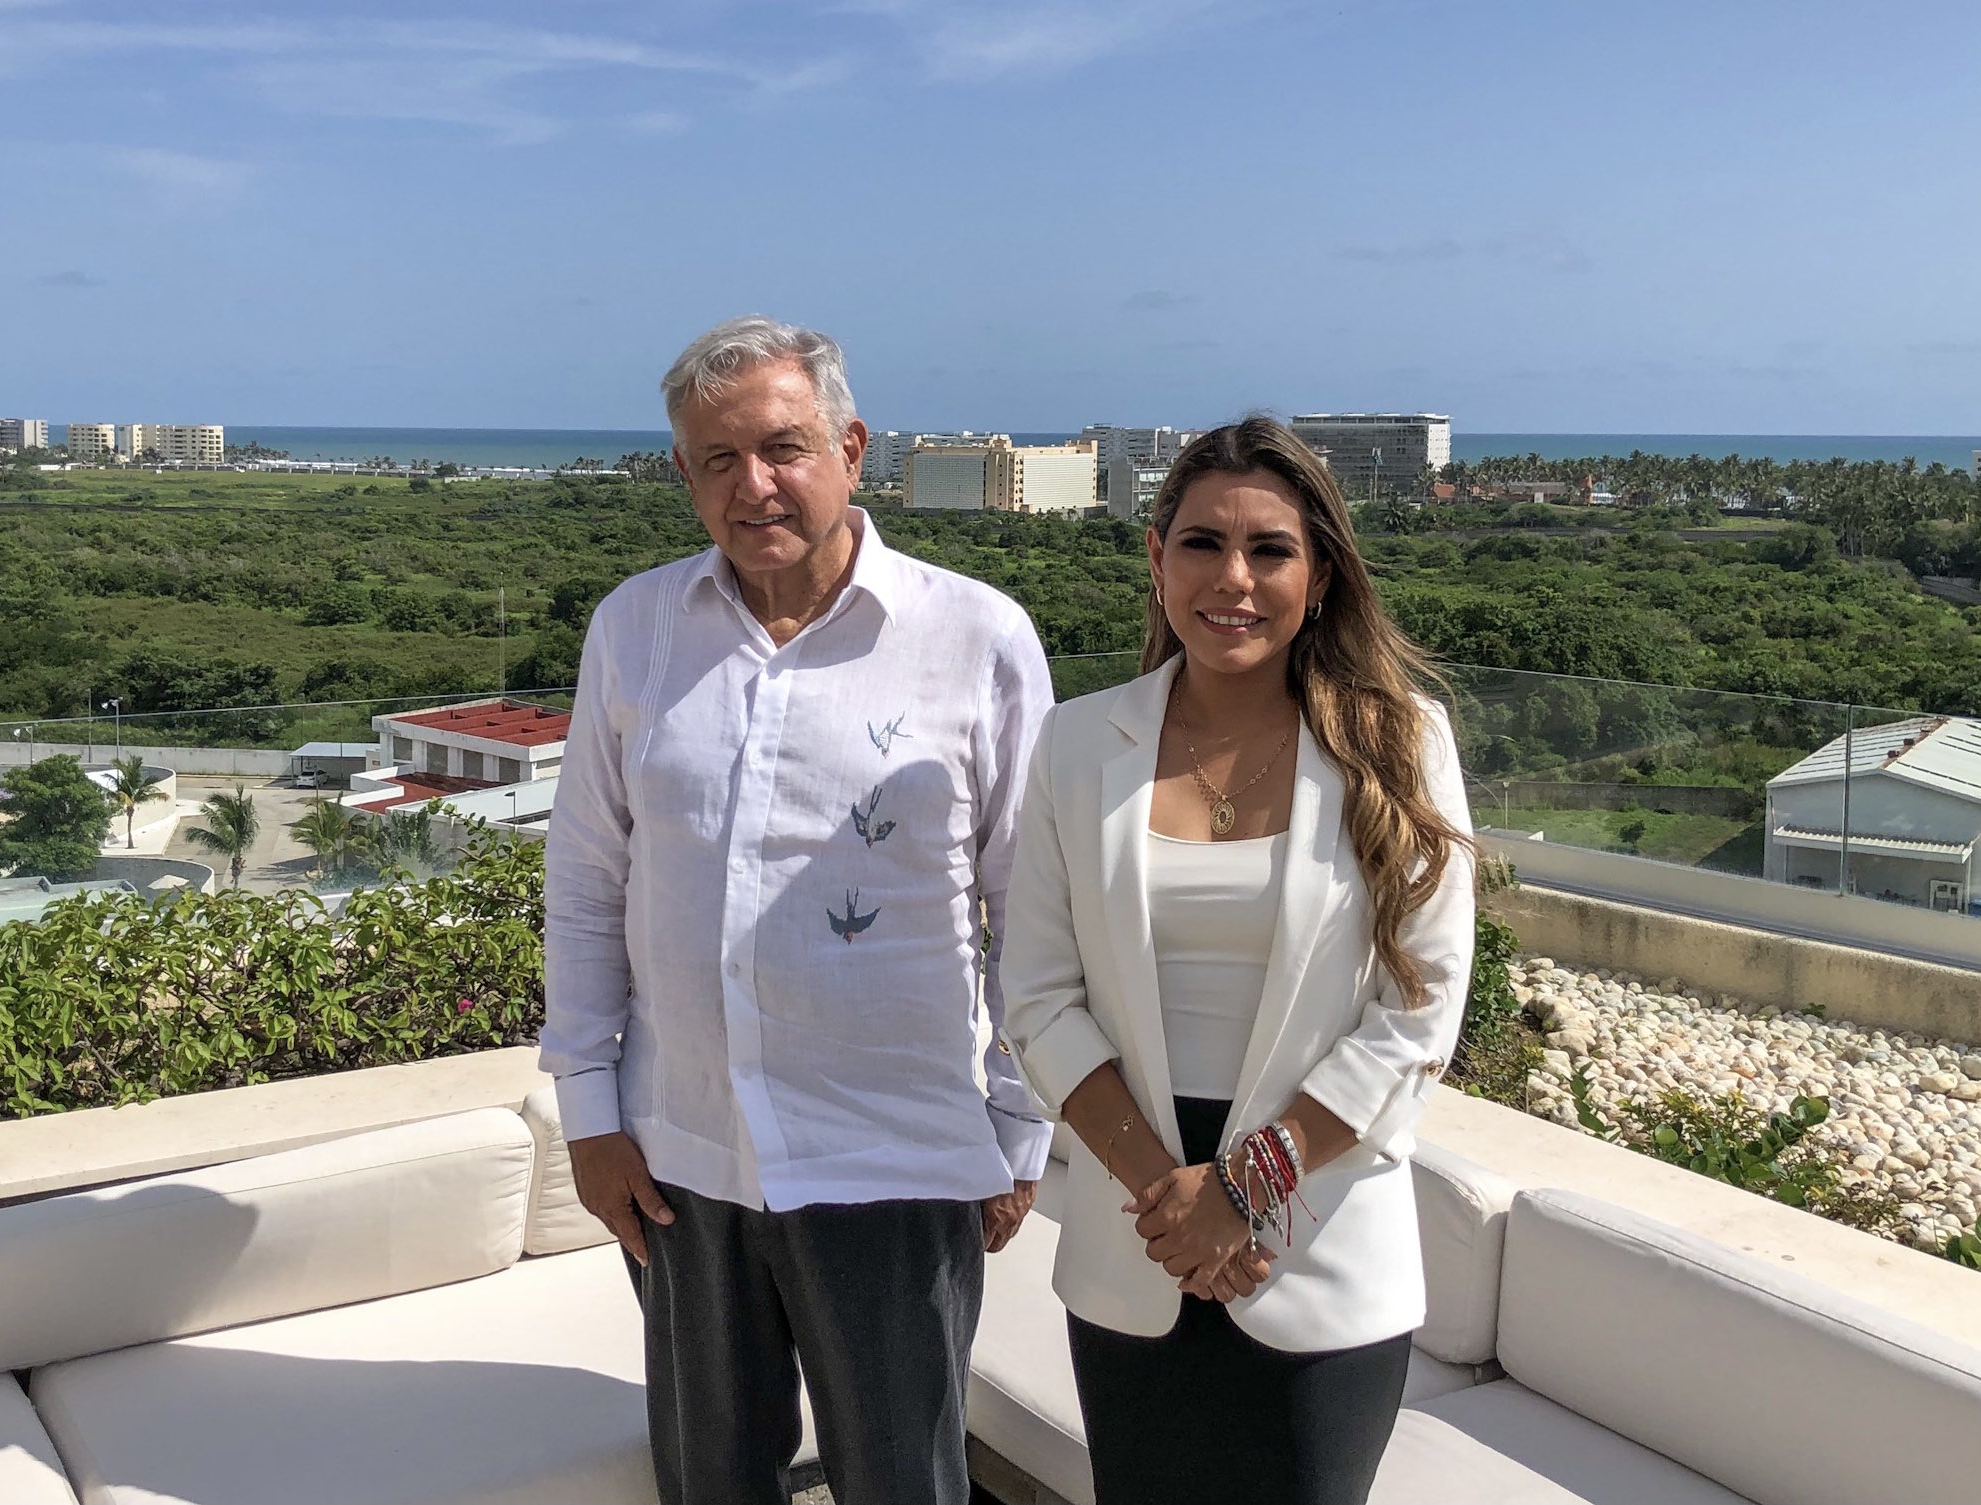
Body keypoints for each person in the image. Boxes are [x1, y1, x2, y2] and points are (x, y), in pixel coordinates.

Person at [540, 315, 1054, 1505]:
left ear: (852, 447)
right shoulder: (635, 629)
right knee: (711, 1478)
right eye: (716, 459)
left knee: (904, 1479)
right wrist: (586, 1111)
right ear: (682, 473)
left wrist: (1016, 1127)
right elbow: (585, 882)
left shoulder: (974, 636)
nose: (752, 484)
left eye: (782, 447)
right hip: (681, 1151)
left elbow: (1033, 902)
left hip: (897, 1156)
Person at [1002, 416, 1475, 1505]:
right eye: (1202, 542)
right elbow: (1034, 993)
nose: (1234, 577)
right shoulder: (1078, 745)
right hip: (1140, 1234)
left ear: (1317, 578)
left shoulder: (1398, 744)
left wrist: (1243, 1188)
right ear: (1155, 555)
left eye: (1269, 549)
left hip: (1318, 1235)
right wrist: (1175, 1201)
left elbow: (1418, 1010)